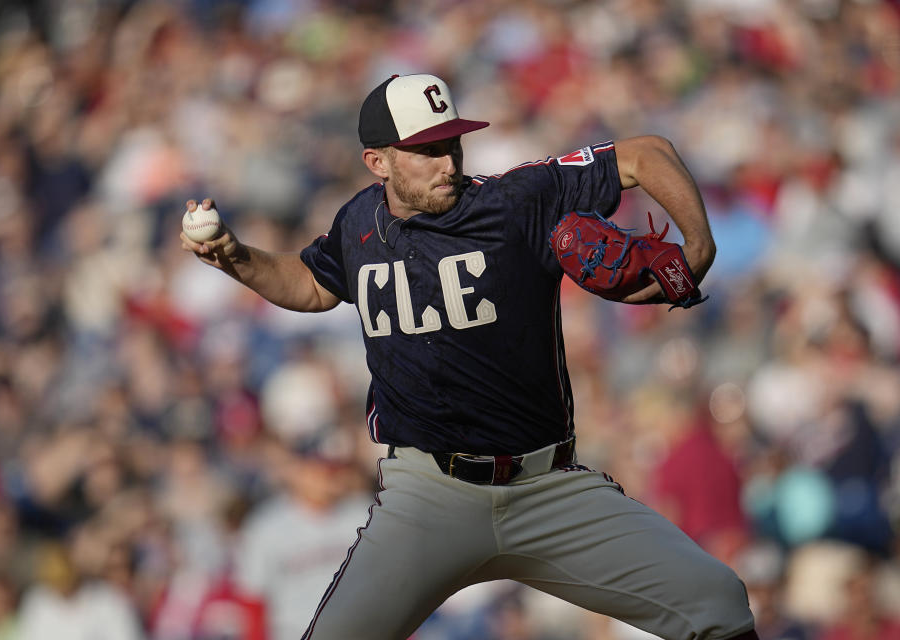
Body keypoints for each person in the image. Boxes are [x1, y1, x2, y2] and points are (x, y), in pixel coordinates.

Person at [181, 73, 757, 640]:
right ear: (377, 162)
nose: (448, 163)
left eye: (452, 143)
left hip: (546, 488)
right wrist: (237, 256)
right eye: (426, 150)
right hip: (428, 495)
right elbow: (310, 284)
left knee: (719, 604)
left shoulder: (517, 201)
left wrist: (699, 243)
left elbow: (646, 153)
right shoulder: (358, 221)